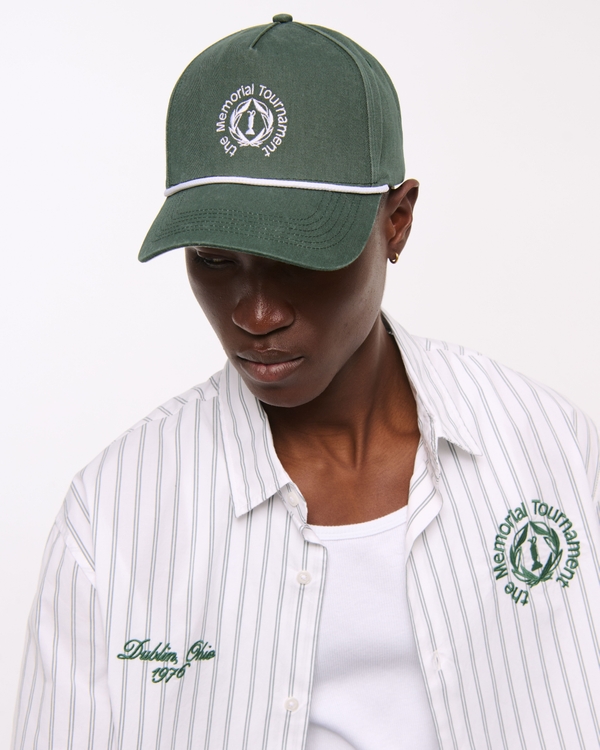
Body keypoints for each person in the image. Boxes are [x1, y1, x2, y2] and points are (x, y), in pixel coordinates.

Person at [12, 14, 600, 750]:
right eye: (214, 259)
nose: (256, 314)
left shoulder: (551, 451)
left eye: (301, 256)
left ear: (396, 221)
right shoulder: (113, 513)